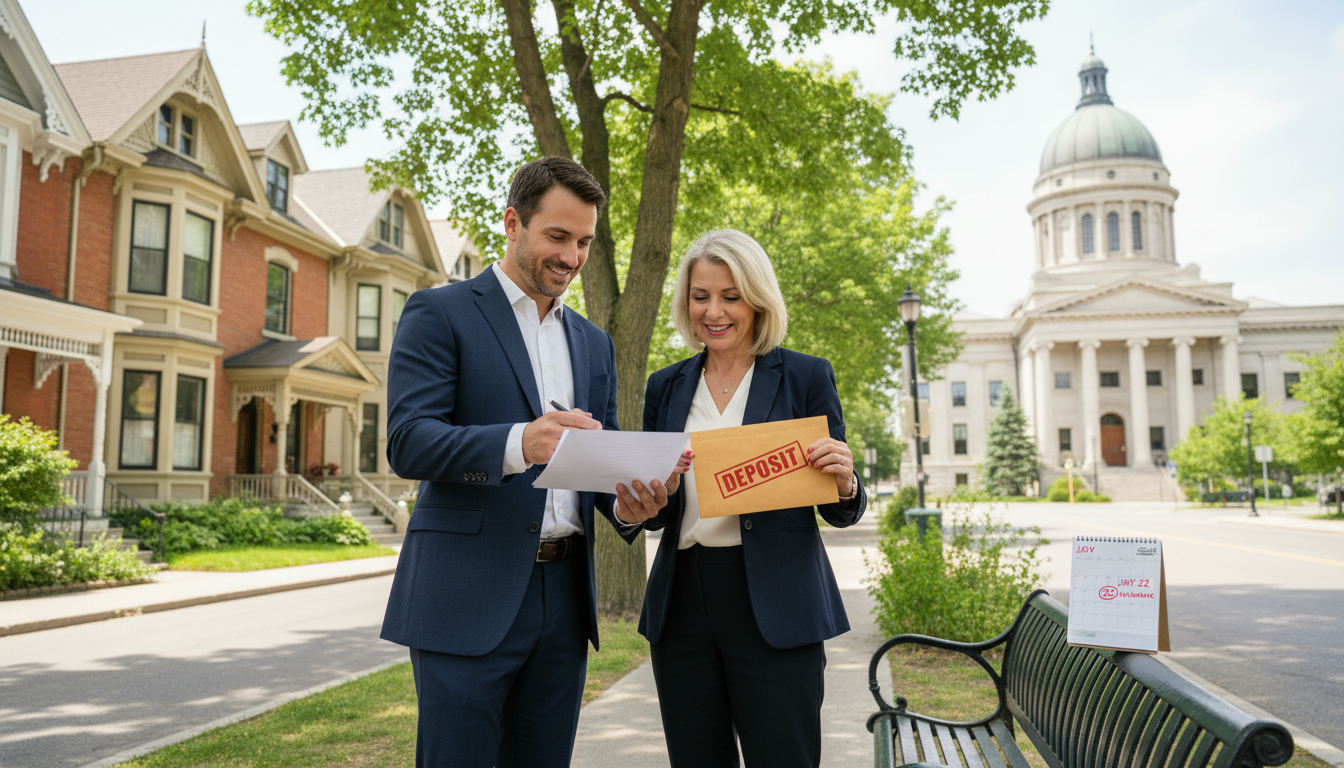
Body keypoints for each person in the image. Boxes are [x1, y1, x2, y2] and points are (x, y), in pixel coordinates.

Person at [380, 156, 687, 767]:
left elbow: (600, 464)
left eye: (583, 242)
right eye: (558, 237)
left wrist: (637, 504)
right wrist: (524, 442)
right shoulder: (439, 313)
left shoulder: (594, 343)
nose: (572, 256)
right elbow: (409, 440)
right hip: (466, 595)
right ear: (513, 223)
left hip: (565, 602)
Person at [636, 229, 867, 767]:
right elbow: (659, 515)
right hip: (683, 605)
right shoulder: (664, 387)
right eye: (700, 296)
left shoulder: (806, 376)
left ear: (758, 300)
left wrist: (846, 480)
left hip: (777, 601)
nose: (713, 311)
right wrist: (649, 496)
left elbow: (840, 506)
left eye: (730, 296)